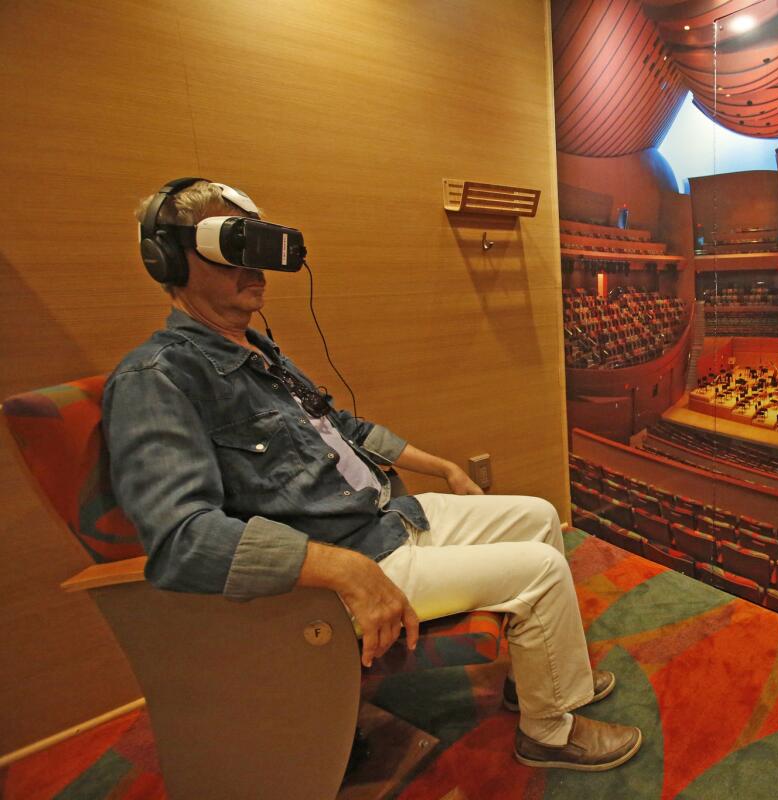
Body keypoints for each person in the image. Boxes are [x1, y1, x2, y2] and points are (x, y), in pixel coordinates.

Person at [103, 178, 642, 772]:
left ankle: (539, 683)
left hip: (387, 517)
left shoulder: (258, 351)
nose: (256, 267)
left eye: (259, 247)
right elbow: (182, 540)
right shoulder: (156, 378)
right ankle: (549, 731)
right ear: (170, 258)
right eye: (234, 248)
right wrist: (339, 567)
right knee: (539, 570)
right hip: (349, 557)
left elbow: (343, 429)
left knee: (539, 516)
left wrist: (441, 468)